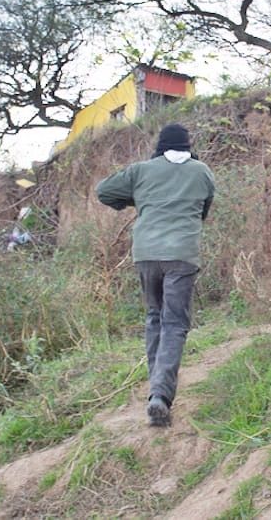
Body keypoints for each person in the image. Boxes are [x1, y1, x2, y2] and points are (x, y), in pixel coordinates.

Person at [95, 123, 216, 427]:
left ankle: (156, 392)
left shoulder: (141, 171)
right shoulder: (202, 172)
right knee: (174, 323)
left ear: (160, 147)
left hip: (146, 254)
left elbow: (104, 191)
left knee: (154, 318)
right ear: (188, 147)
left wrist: (137, 199)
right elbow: (203, 211)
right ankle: (160, 395)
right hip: (181, 256)